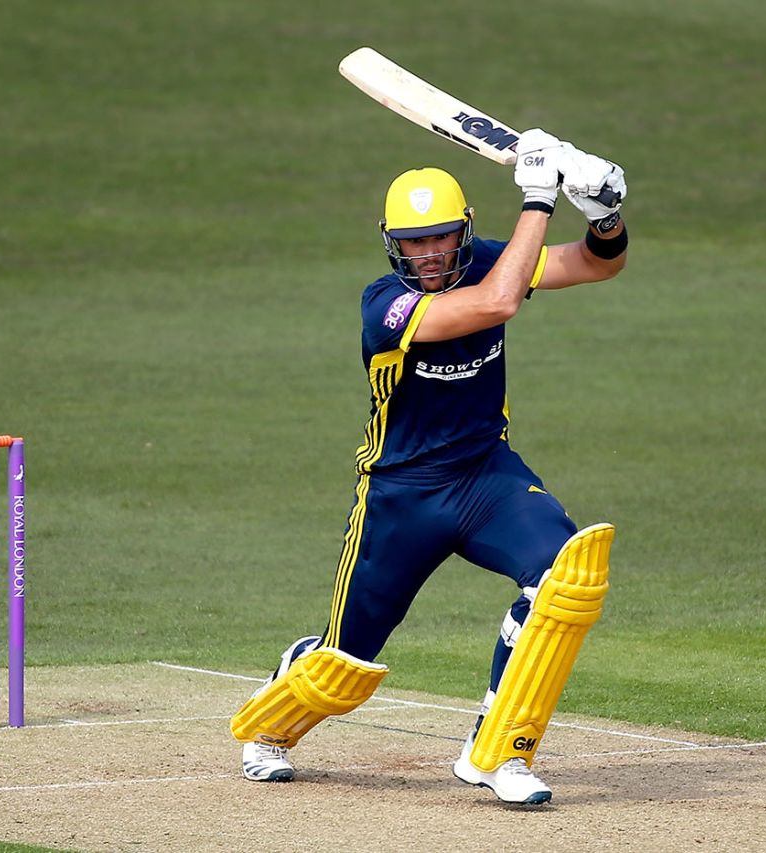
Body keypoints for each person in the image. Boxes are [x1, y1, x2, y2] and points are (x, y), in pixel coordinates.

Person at [230, 129, 628, 804]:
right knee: (342, 665)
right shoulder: (382, 305)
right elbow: (497, 303)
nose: (430, 252)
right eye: (415, 241)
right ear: (392, 243)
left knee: (567, 575)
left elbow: (595, 265)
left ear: (463, 231)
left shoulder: (488, 262)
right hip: (400, 494)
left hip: (485, 477)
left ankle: (501, 752)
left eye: (442, 237)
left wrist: (603, 212)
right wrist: (539, 194)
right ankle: (271, 720)